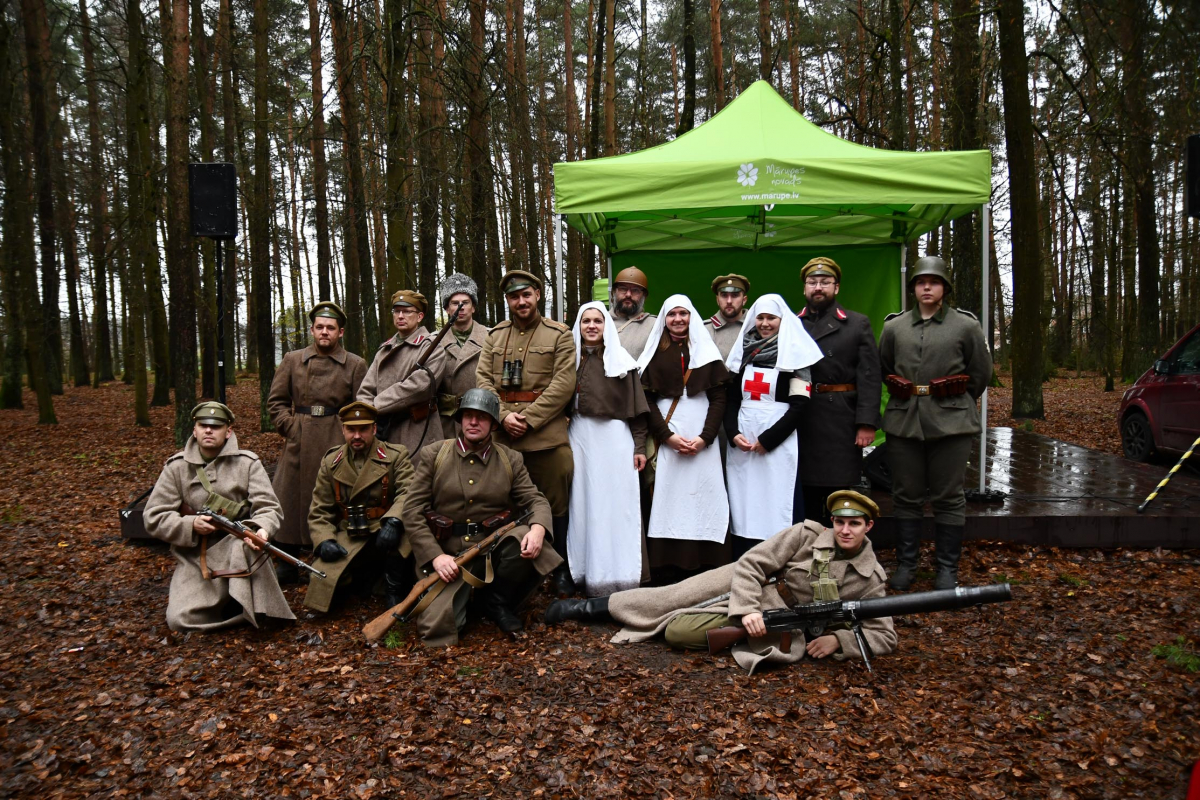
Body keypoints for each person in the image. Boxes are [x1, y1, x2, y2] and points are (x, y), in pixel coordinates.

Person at [545, 490, 897, 674]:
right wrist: (746, 609)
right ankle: (585, 609)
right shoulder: (806, 535)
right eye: (840, 522)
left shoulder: (870, 577)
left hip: (783, 621)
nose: (845, 530)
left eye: (854, 524)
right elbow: (753, 562)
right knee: (671, 595)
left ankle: (710, 629)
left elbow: (884, 635)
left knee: (678, 633)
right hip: (751, 585)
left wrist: (840, 640)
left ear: (869, 527)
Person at [403, 389, 561, 644]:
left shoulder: (510, 459)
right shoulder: (435, 455)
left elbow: (535, 500)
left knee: (526, 537)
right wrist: (435, 556)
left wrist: (539, 528)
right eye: (468, 416)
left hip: (491, 549)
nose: (473, 422)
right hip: (450, 558)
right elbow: (411, 509)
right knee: (438, 632)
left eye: (482, 417)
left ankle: (496, 601)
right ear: (460, 419)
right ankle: (463, 601)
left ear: (493, 424)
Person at [878, 256, 992, 590]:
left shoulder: (966, 326)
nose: (927, 287)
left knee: (948, 496)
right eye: (920, 282)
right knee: (906, 495)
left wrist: (955, 398)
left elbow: (980, 373)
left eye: (934, 282)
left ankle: (946, 569)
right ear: (913, 287)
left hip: (952, 421)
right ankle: (907, 566)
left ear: (945, 288)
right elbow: (886, 366)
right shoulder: (894, 327)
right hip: (904, 421)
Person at [143, 402, 295, 632]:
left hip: (239, 547)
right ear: (194, 430)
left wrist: (261, 529)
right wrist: (190, 524)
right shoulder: (177, 467)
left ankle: (246, 606)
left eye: (216, 426)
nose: (208, 431)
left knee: (245, 547)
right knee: (179, 620)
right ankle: (233, 611)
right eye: (203, 425)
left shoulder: (247, 463)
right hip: (195, 557)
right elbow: (154, 516)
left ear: (228, 431)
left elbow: (269, 508)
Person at [476, 269, 577, 595]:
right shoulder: (494, 336)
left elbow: (563, 384)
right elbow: (483, 382)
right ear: (508, 300)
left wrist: (529, 419)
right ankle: (508, 571)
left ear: (537, 295)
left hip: (546, 435)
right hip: (503, 435)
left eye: (526, 294)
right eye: (514, 296)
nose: (521, 301)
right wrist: (503, 417)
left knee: (558, 496)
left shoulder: (559, 334)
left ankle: (560, 567)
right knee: (502, 502)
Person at [267, 301, 367, 583]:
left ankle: (327, 552)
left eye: (330, 328)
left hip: (336, 436)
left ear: (341, 332)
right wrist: (290, 427)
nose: (325, 332)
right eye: (320, 327)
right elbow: (276, 401)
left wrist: (348, 435)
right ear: (312, 330)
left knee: (332, 495)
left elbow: (361, 404)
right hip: (300, 434)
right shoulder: (293, 360)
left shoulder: (355, 364)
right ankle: (286, 555)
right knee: (289, 493)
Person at [636, 294, 731, 579]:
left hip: (703, 442)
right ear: (664, 319)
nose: (678, 319)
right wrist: (667, 436)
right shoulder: (654, 354)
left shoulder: (706, 352)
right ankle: (668, 568)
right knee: (670, 499)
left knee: (705, 496)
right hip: (670, 439)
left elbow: (718, 398)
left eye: (684, 313)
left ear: (691, 317)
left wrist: (705, 437)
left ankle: (710, 563)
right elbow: (647, 400)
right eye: (672, 314)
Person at [724, 294, 823, 557]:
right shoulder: (743, 353)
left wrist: (769, 440)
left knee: (776, 499)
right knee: (744, 501)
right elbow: (732, 399)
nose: (765, 323)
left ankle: (782, 557)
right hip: (742, 444)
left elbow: (800, 406)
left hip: (778, 440)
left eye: (771, 318)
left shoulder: (795, 355)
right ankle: (743, 557)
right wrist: (733, 433)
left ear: (782, 320)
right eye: (761, 318)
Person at [567, 301, 652, 596]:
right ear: (578, 326)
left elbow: (639, 412)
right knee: (585, 505)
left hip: (615, 441)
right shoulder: (567, 361)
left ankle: (623, 574)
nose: (592, 326)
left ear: (606, 327)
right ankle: (588, 572)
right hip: (579, 438)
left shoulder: (622, 362)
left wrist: (639, 447)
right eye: (586, 321)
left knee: (617, 507)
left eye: (598, 321)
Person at [796, 257, 883, 525]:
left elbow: (869, 376)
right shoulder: (792, 324)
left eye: (824, 282)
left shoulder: (857, 324)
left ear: (836, 288)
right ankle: (809, 550)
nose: (818, 287)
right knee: (806, 491)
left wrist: (866, 423)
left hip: (841, 418)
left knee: (840, 490)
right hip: (803, 416)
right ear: (804, 289)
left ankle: (841, 548)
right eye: (812, 282)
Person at [304, 402, 414, 613]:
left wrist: (394, 520)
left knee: (406, 542)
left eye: (363, 429)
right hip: (351, 531)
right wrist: (324, 540)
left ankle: (393, 590)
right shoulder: (331, 462)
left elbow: (409, 491)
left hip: (385, 529)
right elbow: (320, 509)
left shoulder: (395, 456)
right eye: (351, 429)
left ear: (374, 429)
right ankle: (365, 580)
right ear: (343, 430)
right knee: (321, 577)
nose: (357, 436)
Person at [357, 289, 446, 466]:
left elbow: (419, 387)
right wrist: (367, 412)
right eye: (396, 311)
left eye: (406, 311)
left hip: (418, 431)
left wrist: (377, 406)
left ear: (420, 316)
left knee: (417, 486)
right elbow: (366, 389)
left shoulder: (432, 348)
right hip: (385, 431)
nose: (400, 316)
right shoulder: (384, 350)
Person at [435, 273, 490, 437]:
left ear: (473, 307)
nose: (461, 307)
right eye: (455, 303)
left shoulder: (492, 338)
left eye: (465, 302)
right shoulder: (433, 342)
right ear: (447, 309)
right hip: (446, 423)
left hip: (481, 418)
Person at [609, 266, 657, 359]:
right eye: (623, 289)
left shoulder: (654, 325)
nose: (628, 294)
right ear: (614, 292)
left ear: (644, 296)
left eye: (635, 290)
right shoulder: (599, 321)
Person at [704, 274, 750, 360]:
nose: (729, 301)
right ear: (717, 300)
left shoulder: (754, 327)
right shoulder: (705, 330)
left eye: (735, 295)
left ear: (744, 300)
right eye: (724, 295)